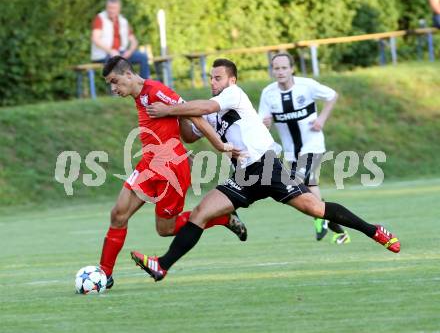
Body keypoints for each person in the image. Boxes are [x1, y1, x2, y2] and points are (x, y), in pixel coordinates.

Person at [132, 58, 400, 282]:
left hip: (266, 165)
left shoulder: (232, 95)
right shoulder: (211, 112)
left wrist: (170, 107)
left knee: (315, 209)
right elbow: (190, 135)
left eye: (218, 78)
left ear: (231, 80)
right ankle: (162, 266)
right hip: (243, 175)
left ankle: (374, 230)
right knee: (200, 213)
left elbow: (205, 106)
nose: (213, 82)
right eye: (211, 78)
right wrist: (175, 114)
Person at [99, 56, 247, 289]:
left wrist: (219, 145)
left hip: (171, 169)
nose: (113, 88)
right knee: (118, 214)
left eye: (115, 82)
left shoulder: (156, 90)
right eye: (110, 84)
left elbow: (193, 114)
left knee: (165, 229)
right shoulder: (139, 95)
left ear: (128, 75)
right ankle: (103, 274)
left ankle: (220, 217)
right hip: (148, 165)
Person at [259, 52, 350, 244]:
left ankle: (320, 219)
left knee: (298, 183)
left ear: (292, 69)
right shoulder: (268, 93)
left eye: (284, 68)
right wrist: (266, 123)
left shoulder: (306, 86)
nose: (281, 71)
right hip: (291, 151)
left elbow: (332, 96)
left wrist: (322, 119)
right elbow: (262, 120)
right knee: (306, 189)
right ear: (272, 71)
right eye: (277, 68)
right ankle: (339, 231)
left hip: (313, 145)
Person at [91, 0, 150, 78]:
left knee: (143, 57)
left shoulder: (123, 21)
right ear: (106, 7)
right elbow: (95, 39)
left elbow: (134, 41)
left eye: (114, 8)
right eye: (109, 8)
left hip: (121, 53)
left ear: (119, 8)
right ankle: (118, 90)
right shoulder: (100, 18)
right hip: (104, 55)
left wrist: (129, 51)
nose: (111, 10)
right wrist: (111, 51)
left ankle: (144, 88)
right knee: (118, 63)